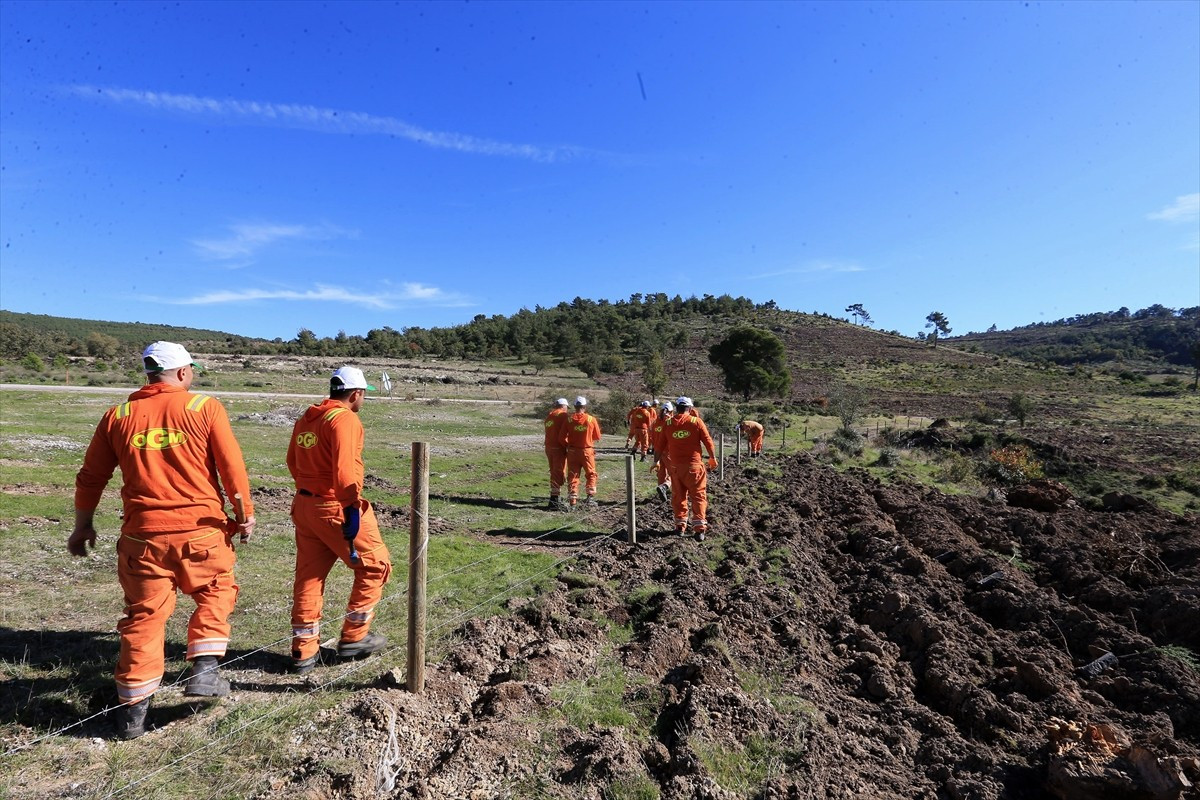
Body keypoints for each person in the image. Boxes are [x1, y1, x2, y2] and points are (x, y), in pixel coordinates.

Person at [69, 341, 256, 740]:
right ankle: (205, 668)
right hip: (201, 532)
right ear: (184, 372)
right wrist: (244, 516)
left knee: (143, 619)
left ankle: (132, 714)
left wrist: (83, 525)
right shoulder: (203, 407)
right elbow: (232, 469)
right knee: (216, 589)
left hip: (141, 539)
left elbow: (90, 477)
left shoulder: (117, 416)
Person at [287, 366, 392, 675]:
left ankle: (304, 651)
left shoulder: (308, 418)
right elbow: (346, 471)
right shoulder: (344, 419)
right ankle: (354, 637)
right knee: (375, 566)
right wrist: (350, 508)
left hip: (305, 506)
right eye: (363, 395)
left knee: (309, 577)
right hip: (335, 506)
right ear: (356, 394)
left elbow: (292, 461)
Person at [663, 396, 717, 540]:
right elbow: (708, 441)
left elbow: (660, 446)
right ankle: (699, 530)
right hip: (694, 467)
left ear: (676, 408)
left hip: (676, 468)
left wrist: (656, 462)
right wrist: (712, 458)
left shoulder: (668, 423)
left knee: (678, 497)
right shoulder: (696, 422)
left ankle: (680, 527)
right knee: (698, 496)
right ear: (690, 408)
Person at [564, 396, 602, 508]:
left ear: (574, 406)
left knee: (573, 475)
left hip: (572, 451)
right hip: (587, 451)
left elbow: (562, 437)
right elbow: (597, 436)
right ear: (584, 407)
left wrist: (569, 445)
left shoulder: (569, 420)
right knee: (591, 474)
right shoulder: (591, 419)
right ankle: (590, 498)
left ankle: (572, 501)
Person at [543, 397, 571, 510]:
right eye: (567, 407)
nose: (567, 410)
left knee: (554, 471)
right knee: (558, 473)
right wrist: (568, 445)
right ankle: (554, 500)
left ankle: (554, 497)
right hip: (558, 447)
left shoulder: (549, 416)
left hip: (549, 447)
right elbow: (568, 431)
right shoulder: (563, 415)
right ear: (564, 406)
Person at [649, 401, 674, 502]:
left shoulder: (655, 422)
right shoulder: (670, 422)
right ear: (671, 411)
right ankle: (666, 486)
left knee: (661, 473)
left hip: (658, 451)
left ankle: (661, 494)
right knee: (674, 473)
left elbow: (652, 437)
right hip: (669, 451)